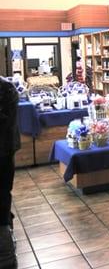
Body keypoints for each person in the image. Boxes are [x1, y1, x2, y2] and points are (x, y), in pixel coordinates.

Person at [0, 77, 20, 269]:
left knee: (3, 196)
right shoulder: (8, 87)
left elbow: (7, 128)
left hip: (3, 155)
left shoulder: (6, 89)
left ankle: (6, 254)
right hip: (6, 153)